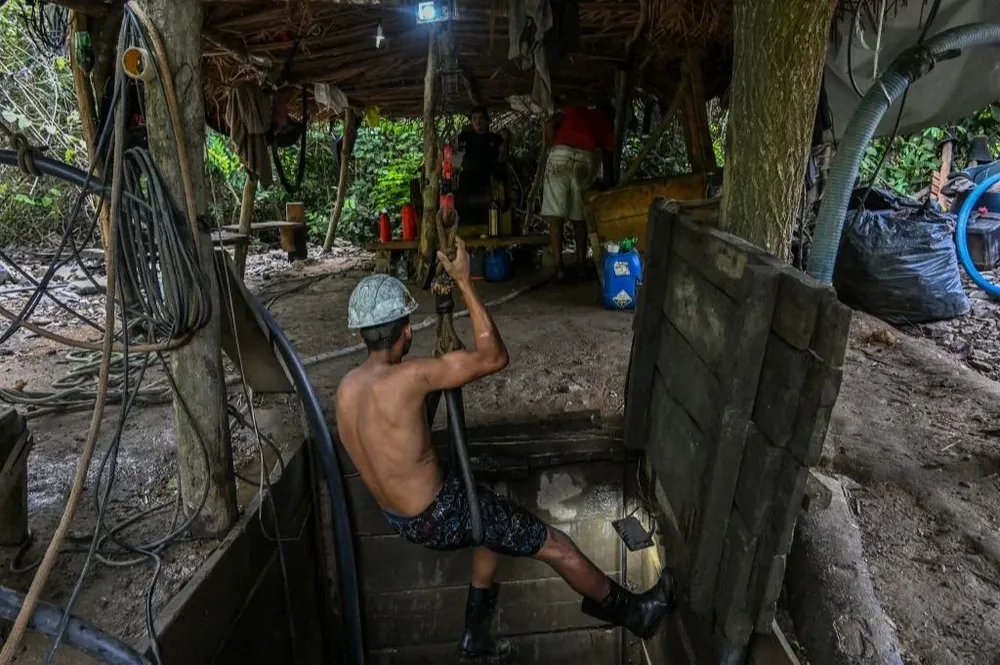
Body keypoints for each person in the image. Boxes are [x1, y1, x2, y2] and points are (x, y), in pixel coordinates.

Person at [335, 237, 675, 662]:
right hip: (441, 513)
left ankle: (474, 637)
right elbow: (494, 356)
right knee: (556, 544)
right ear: (405, 330)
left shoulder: (346, 391)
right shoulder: (413, 378)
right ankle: (636, 613)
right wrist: (464, 281)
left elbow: (401, 429)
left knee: (490, 529)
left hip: (399, 519)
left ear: (361, 333)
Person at [541, 103, 615, 281]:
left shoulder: (573, 110)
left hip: (560, 154)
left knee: (555, 217)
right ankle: (581, 264)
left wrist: (552, 146)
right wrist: (608, 184)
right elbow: (608, 157)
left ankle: (559, 267)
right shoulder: (604, 123)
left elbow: (548, 124)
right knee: (579, 217)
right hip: (584, 158)